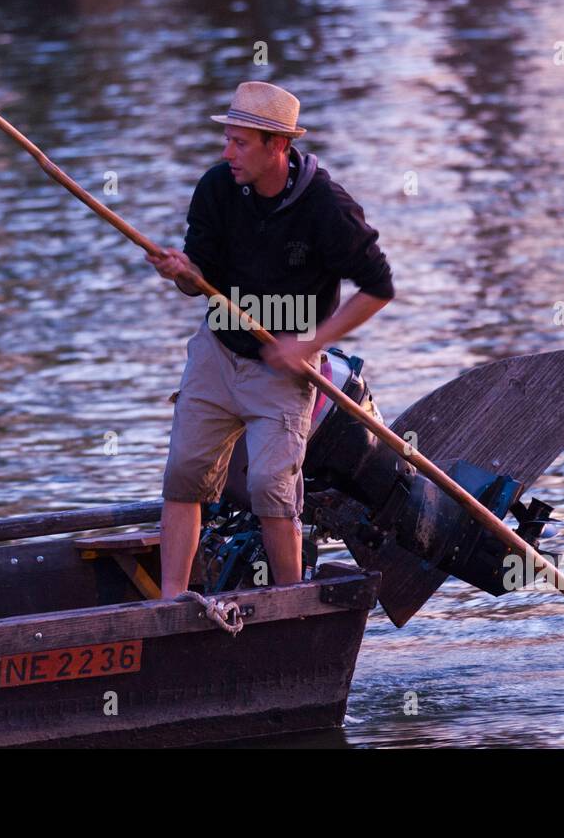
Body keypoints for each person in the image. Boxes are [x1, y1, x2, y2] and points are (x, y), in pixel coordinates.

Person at [148, 81, 394, 597]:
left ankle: (291, 605)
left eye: (240, 143)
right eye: (227, 140)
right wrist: (179, 271)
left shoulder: (327, 206)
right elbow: (201, 280)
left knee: (270, 490)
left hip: (285, 367)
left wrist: (308, 345)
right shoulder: (216, 189)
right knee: (184, 475)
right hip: (217, 352)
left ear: (277, 146)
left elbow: (379, 288)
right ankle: (171, 603)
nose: (226, 153)